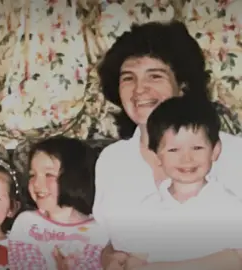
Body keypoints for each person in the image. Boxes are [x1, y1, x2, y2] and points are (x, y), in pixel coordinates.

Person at [93, 20, 242, 270]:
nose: (139, 89)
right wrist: (108, 257)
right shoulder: (111, 160)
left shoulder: (235, 154)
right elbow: (109, 240)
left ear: (182, 85)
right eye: (128, 78)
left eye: (155, 76)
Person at [116, 96, 242, 267]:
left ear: (215, 150)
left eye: (197, 148)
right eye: (174, 150)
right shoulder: (148, 207)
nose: (187, 159)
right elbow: (136, 259)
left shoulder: (229, 205)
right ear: (156, 156)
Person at [8, 136, 108, 270]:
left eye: (48, 175)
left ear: (75, 177)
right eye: (32, 175)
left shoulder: (99, 230)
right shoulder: (28, 223)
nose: (37, 184)